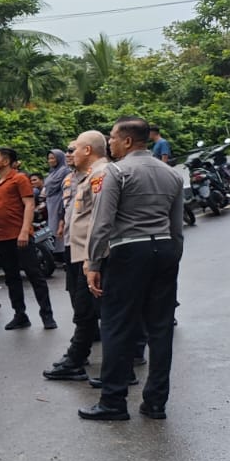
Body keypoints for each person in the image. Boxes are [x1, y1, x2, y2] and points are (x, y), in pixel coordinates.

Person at [80, 117, 184, 421]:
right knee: (161, 328)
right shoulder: (171, 174)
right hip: (163, 248)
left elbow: (102, 223)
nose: (110, 143)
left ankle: (113, 402)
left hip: (127, 251)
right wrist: (172, 256)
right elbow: (176, 227)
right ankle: (155, 403)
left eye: (112, 138)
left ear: (127, 141)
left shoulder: (116, 171)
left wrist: (93, 262)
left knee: (116, 325)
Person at [44, 133, 110, 383]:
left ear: (87, 150)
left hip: (91, 254)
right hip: (78, 250)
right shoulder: (80, 178)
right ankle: (79, 357)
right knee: (84, 307)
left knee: (97, 308)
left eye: (74, 148)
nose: (69, 152)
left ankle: (85, 360)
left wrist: (92, 259)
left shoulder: (101, 174)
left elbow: (101, 220)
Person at [0, 147, 56, 331]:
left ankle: (47, 315)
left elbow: (29, 204)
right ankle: (20, 315)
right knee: (12, 278)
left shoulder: (19, 179)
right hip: (3, 238)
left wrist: (25, 231)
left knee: (34, 275)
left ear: (6, 161)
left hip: (20, 236)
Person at [43, 149, 72, 265]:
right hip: (51, 202)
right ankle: (58, 254)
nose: (50, 160)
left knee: (60, 227)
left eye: (53, 158)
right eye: (49, 158)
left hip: (59, 201)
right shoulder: (52, 172)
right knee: (53, 228)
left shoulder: (64, 171)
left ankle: (64, 254)